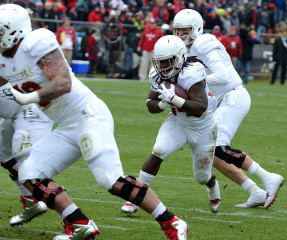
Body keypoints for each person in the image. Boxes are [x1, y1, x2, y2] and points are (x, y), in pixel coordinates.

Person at [0, 4, 187, 240]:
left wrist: (29, 97)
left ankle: (172, 222)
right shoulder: (4, 59)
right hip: (66, 125)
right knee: (29, 173)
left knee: (110, 179)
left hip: (88, 115)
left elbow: (62, 82)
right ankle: (80, 225)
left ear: (12, 31)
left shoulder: (35, 42)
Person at [172, 9, 284, 209]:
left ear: (196, 29)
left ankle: (268, 178)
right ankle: (255, 191)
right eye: (177, 31)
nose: (180, 35)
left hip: (232, 95)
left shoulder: (204, 42)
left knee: (219, 147)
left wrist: (193, 84)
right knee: (209, 154)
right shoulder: (185, 50)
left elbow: (223, 76)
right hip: (217, 99)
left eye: (184, 31)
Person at [121, 35, 221, 215]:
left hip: (202, 125)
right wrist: (162, 104)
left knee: (202, 176)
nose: (164, 66)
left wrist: (174, 99)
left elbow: (200, 108)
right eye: (161, 61)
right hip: (177, 121)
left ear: (181, 57)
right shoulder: (156, 73)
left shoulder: (193, 73)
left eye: (169, 61)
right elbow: (150, 103)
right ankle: (136, 197)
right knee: (158, 150)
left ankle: (213, 188)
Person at [0, 100, 53, 227]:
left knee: (29, 165)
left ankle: (76, 219)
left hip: (32, 109)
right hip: (25, 107)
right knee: (3, 152)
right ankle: (31, 201)